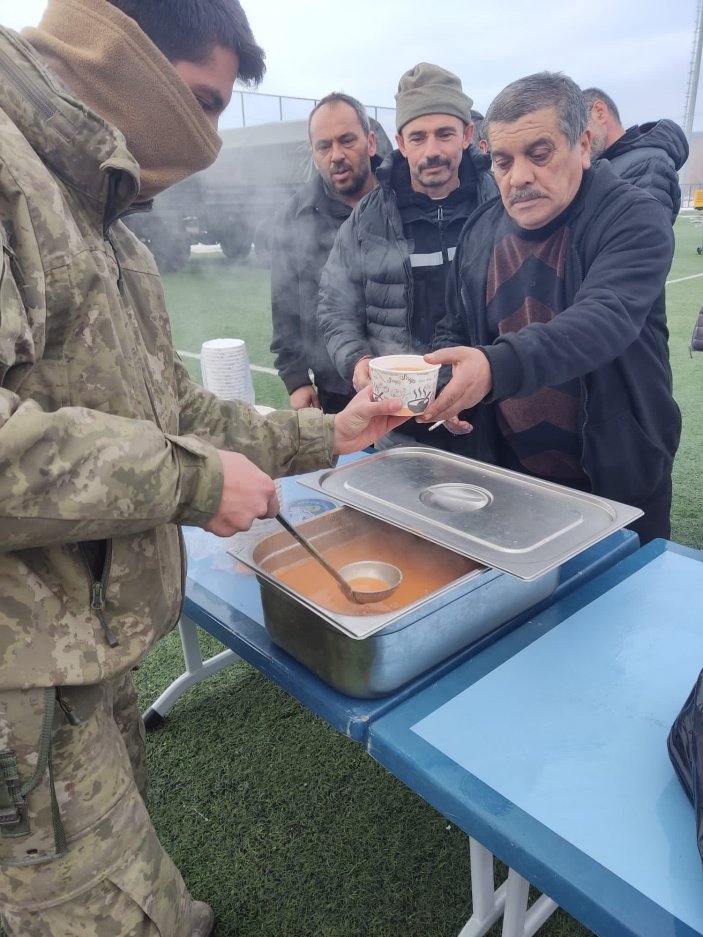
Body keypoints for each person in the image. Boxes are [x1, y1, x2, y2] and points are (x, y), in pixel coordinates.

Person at [0, 3, 408, 936]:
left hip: (77, 640)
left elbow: (171, 410)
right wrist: (192, 481)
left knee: (122, 846)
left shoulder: (101, 220)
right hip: (14, 673)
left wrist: (329, 435)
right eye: (201, 103)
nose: (209, 143)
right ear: (121, 54)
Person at [420, 72, 681, 545]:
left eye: (539, 154)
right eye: (503, 161)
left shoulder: (632, 216)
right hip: (510, 477)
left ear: (582, 145)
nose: (519, 176)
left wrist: (492, 368)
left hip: (617, 480)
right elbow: (453, 325)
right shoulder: (481, 230)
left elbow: (601, 321)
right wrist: (448, 380)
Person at [317, 62, 498, 450]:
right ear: (400, 142)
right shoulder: (368, 218)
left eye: (444, 134)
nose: (431, 151)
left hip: (489, 418)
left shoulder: (499, 205)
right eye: (418, 137)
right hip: (393, 425)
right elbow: (334, 306)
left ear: (467, 134)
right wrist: (357, 361)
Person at [270, 93, 381, 414]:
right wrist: (296, 379)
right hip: (336, 387)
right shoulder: (293, 216)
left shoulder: (399, 201)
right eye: (324, 146)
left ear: (370, 142)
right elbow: (284, 302)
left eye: (347, 141)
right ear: (314, 154)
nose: (336, 155)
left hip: (402, 378)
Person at [582, 86, 688, 223]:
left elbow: (642, 236)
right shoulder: (611, 164)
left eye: (580, 126)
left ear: (599, 112)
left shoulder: (649, 162)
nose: (579, 139)